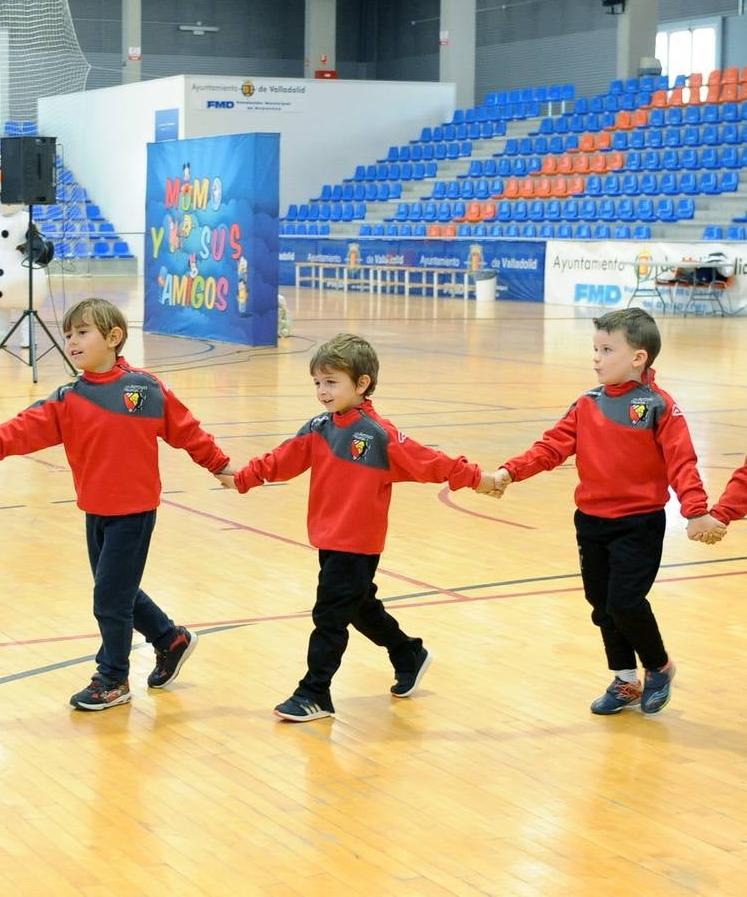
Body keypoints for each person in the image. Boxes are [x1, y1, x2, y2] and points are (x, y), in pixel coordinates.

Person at [0, 298, 225, 711]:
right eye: (68, 334)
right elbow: (17, 431)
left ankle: (112, 678)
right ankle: (169, 639)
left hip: (135, 512)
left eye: (82, 332)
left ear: (113, 338)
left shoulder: (143, 389)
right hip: (96, 510)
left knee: (110, 597)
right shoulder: (68, 398)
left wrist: (219, 465)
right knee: (116, 591)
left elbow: (187, 431)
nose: (72, 341)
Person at [226, 334, 495, 722]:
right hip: (327, 536)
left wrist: (477, 478)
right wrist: (243, 477)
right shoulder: (320, 426)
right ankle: (408, 653)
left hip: (358, 541)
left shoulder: (379, 434)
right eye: (317, 382)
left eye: (331, 382)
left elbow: (430, 461)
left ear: (362, 383)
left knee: (330, 615)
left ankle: (315, 691)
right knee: (358, 606)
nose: (322, 391)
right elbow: (283, 457)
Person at [491, 308, 716, 716]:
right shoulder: (586, 404)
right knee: (601, 602)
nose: (596, 357)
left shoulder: (658, 407)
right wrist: (511, 470)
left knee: (626, 601)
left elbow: (682, 463)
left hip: (639, 524)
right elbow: (551, 447)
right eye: (595, 348)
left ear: (638, 357)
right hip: (591, 522)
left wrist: (695, 511)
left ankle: (659, 667)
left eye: (607, 349)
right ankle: (626, 679)